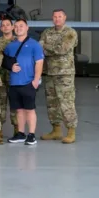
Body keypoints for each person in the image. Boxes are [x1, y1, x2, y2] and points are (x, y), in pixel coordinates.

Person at [39, 9, 78, 143]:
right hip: (49, 73)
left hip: (64, 73)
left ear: (65, 18)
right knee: (52, 103)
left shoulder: (70, 32)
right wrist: (51, 48)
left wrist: (47, 48)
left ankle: (71, 132)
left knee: (66, 102)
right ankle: (56, 130)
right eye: (55, 17)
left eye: (60, 16)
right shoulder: (47, 32)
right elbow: (40, 48)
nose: (57, 19)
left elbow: (63, 49)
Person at [6, 19, 45, 145]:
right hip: (14, 82)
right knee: (19, 110)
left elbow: (39, 62)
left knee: (30, 109)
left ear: (27, 28)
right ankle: (21, 133)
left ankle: (31, 134)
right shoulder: (10, 46)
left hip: (28, 82)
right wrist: (10, 67)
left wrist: (36, 80)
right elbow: (5, 61)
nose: (18, 28)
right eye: (16, 26)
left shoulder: (35, 45)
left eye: (21, 26)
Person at [0, 19, 18, 136]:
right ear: (1, 28)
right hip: (0, 78)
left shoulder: (18, 41)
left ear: (13, 27)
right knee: (0, 104)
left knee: (15, 103)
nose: (6, 27)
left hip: (15, 78)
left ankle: (18, 129)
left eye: (8, 25)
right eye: (3, 25)